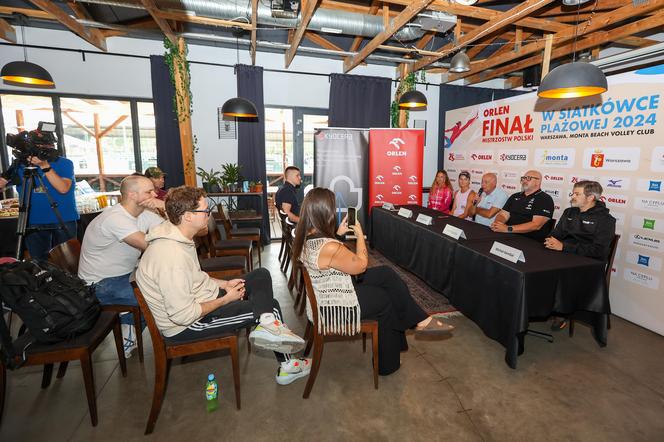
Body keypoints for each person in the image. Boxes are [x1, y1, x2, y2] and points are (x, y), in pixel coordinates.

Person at [136, 186, 310, 385]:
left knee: (261, 275)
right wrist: (226, 298)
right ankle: (287, 365)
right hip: (189, 325)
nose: (209, 216)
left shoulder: (178, 236)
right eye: (205, 211)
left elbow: (196, 277)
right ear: (187, 216)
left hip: (202, 300)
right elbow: (182, 315)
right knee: (270, 305)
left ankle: (267, 323)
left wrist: (225, 283)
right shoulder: (170, 257)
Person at [292, 187, 454, 377]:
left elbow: (328, 256)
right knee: (385, 301)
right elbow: (361, 265)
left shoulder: (306, 235)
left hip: (328, 290)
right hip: (334, 304)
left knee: (385, 274)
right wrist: (360, 235)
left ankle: (420, 319)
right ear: (324, 213)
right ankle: (388, 363)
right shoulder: (329, 246)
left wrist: (337, 234)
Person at [78, 175, 164, 357]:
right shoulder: (116, 218)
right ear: (132, 195)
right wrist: (163, 207)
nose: (155, 194)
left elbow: (172, 231)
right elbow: (151, 245)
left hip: (124, 275)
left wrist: (163, 211)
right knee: (158, 294)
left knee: (163, 284)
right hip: (99, 285)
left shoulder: (143, 214)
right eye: (149, 191)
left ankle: (129, 324)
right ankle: (141, 329)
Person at [544, 180, 616, 331]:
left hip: (588, 265)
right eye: (573, 193)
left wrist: (564, 246)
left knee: (560, 273)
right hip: (564, 256)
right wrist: (551, 240)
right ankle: (543, 305)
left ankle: (561, 310)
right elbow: (556, 234)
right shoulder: (569, 212)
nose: (572, 197)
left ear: (590, 198)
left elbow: (599, 251)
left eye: (577, 194)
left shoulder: (606, 220)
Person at [0, 139, 78, 261]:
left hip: (63, 219)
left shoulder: (64, 163)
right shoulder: (21, 166)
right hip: (33, 220)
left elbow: (63, 188)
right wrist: (9, 172)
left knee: (68, 262)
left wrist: (44, 166)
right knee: (39, 264)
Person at [491, 170, 554, 241]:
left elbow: (536, 225)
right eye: (523, 178)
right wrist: (498, 224)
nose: (524, 181)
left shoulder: (545, 199)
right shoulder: (514, 196)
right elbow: (503, 214)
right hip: (508, 235)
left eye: (528, 178)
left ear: (537, 182)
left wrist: (508, 228)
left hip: (529, 240)